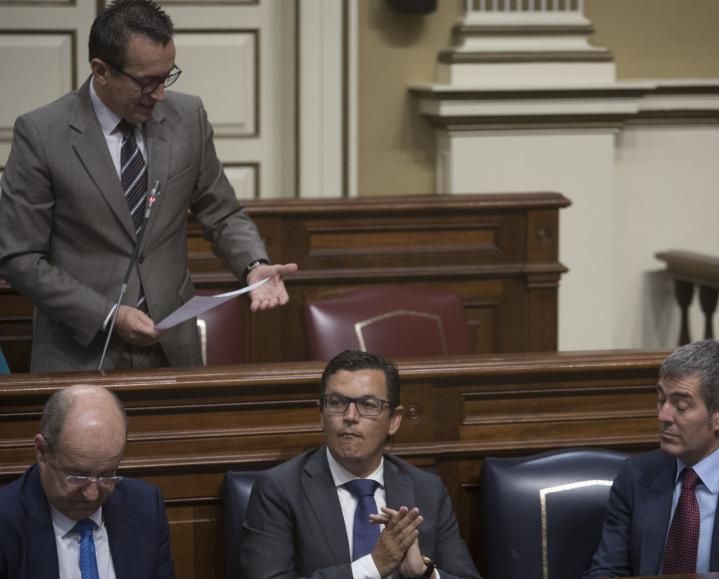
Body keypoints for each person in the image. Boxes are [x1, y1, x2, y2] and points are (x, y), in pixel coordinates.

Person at [0, 0, 297, 372]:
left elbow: (221, 211)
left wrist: (254, 265)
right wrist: (108, 314)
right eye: (146, 82)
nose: (159, 94)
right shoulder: (42, 134)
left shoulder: (187, 117)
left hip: (171, 349)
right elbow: (19, 258)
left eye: (167, 76)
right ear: (101, 70)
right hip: (80, 352)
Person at [240, 349, 482, 579]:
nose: (350, 417)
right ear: (321, 415)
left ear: (394, 421)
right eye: (336, 403)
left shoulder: (427, 489)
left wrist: (425, 573)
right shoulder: (279, 490)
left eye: (368, 405)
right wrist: (373, 566)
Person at [585, 339, 719, 577]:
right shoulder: (635, 476)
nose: (663, 415)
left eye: (681, 405)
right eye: (661, 400)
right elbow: (606, 570)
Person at [0, 384, 174, 578]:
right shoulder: (5, 522)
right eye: (78, 476)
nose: (92, 495)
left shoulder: (146, 507)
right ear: (42, 452)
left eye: (106, 475)